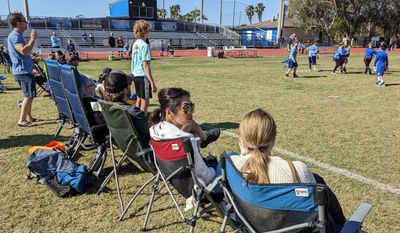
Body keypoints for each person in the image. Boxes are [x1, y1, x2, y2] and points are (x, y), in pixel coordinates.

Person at [230, 109, 346, 231]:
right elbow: (315, 210)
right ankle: (342, 225)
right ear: (273, 138)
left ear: (242, 140)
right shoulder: (297, 170)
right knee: (317, 182)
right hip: (294, 228)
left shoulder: (232, 164)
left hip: (252, 224)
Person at [148, 87, 221, 186]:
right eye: (186, 108)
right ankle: (204, 138)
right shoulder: (186, 140)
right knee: (230, 158)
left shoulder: (154, 130)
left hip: (174, 179)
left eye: (192, 106)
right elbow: (207, 177)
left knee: (192, 125)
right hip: (200, 190)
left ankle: (204, 137)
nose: (191, 111)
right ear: (169, 113)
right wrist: (212, 164)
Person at [103, 71, 151, 147]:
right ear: (125, 90)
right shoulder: (133, 112)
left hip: (125, 146)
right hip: (146, 151)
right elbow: (152, 131)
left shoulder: (106, 106)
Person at [7, 12, 38, 127]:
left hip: (24, 70)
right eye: (24, 21)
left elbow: (25, 52)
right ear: (18, 23)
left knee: (29, 94)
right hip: (23, 71)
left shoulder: (16, 35)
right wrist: (33, 38)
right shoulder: (15, 35)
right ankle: (22, 120)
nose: (26, 23)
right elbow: (23, 50)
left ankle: (28, 117)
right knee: (28, 96)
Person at [131, 20, 157, 113]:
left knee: (139, 98)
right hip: (142, 76)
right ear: (145, 31)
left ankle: (135, 117)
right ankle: (141, 121)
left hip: (135, 75)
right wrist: (152, 82)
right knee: (145, 101)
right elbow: (145, 66)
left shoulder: (135, 44)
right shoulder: (145, 45)